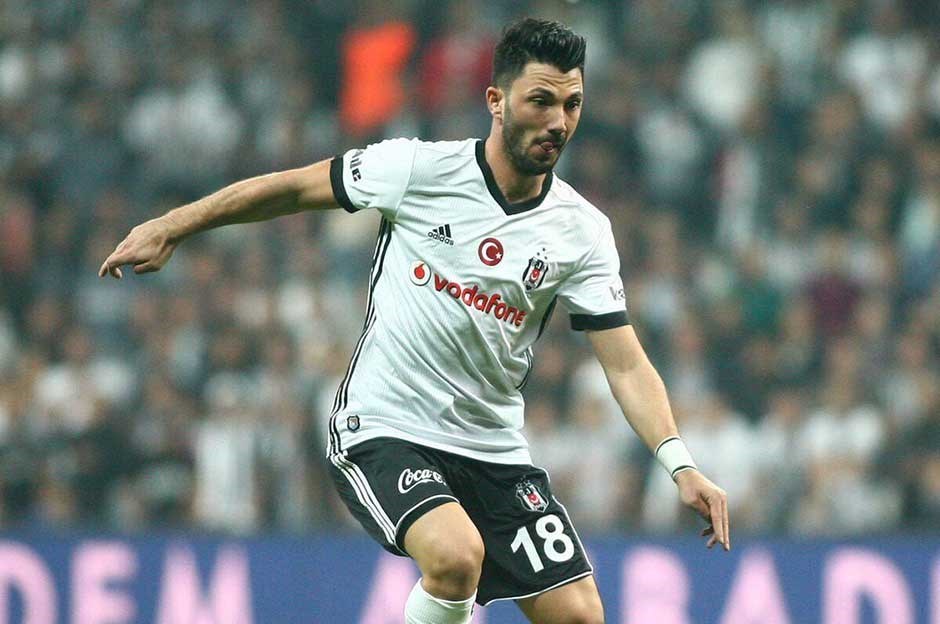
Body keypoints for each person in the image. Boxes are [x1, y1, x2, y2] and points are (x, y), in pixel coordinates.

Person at [99, 18, 730, 624]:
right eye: (541, 101)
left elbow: (626, 365)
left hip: (492, 448)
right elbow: (292, 189)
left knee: (580, 615)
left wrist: (681, 464)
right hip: (384, 427)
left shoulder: (582, 231)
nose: (558, 122)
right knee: (455, 557)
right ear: (496, 101)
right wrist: (172, 225)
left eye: (572, 105)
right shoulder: (417, 169)